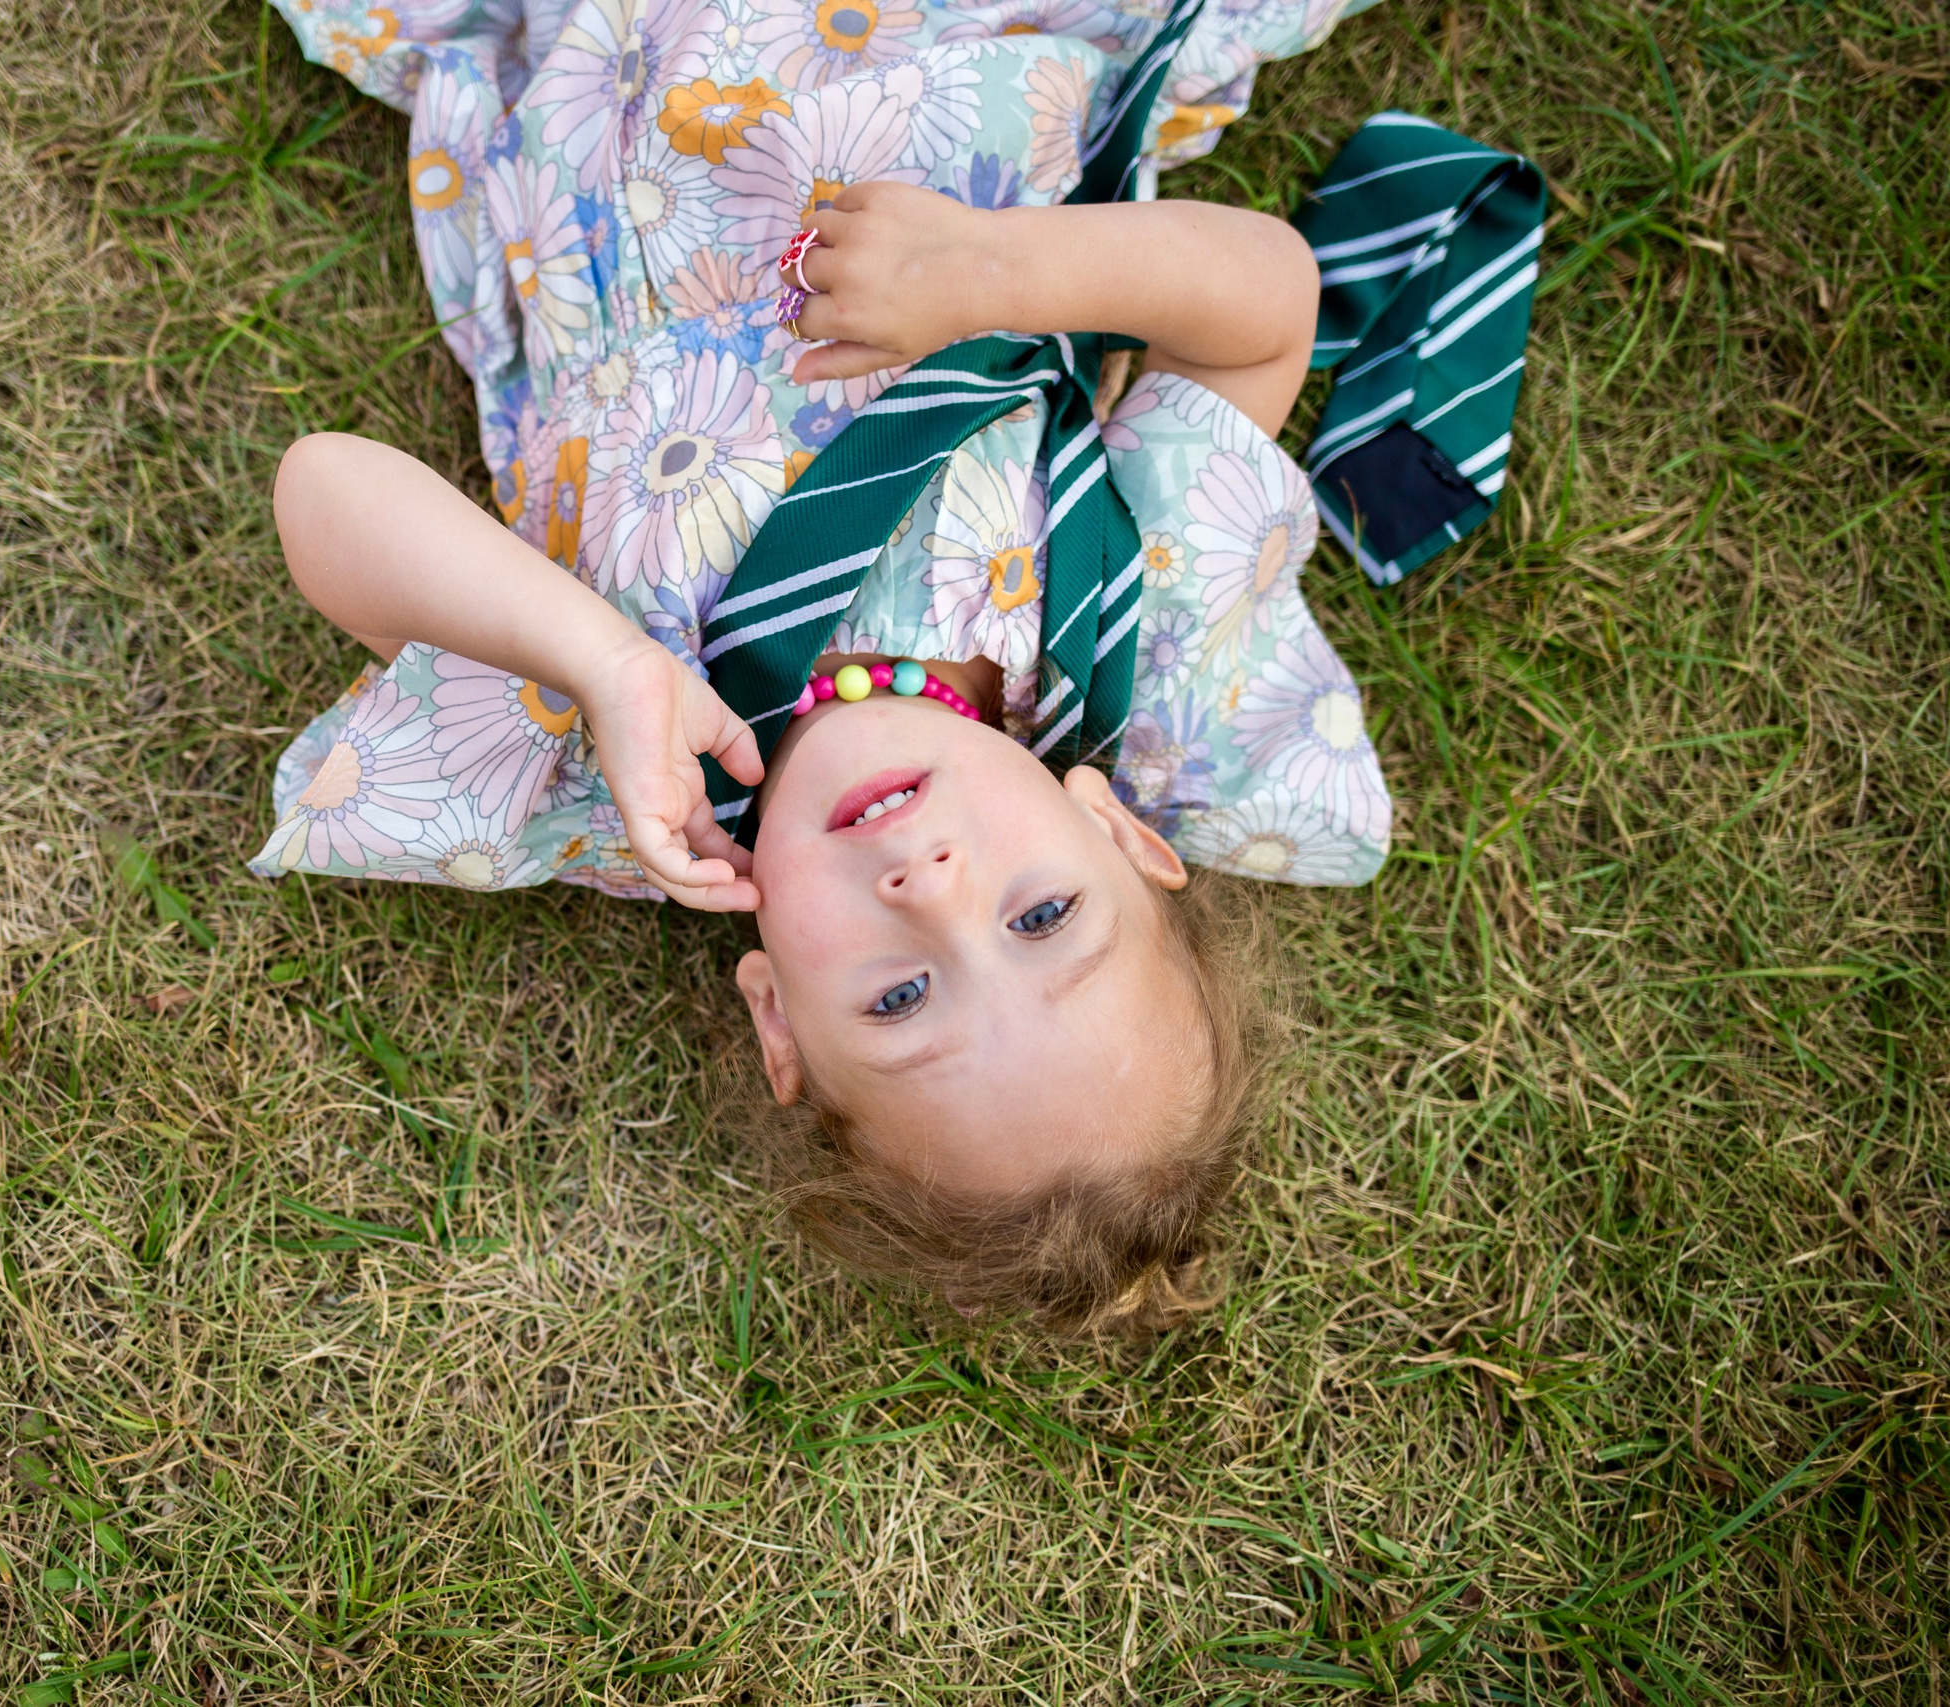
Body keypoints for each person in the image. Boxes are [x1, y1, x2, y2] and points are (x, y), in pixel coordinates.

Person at [254, 0, 1398, 1332]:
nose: (930, 890)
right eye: (1042, 919)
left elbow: (323, 493)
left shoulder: (617, 780)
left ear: (779, 1021)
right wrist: (998, 273)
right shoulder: (1127, 626)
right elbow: (1266, 309)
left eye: (902, 997)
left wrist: (597, 658)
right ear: (1119, 835)